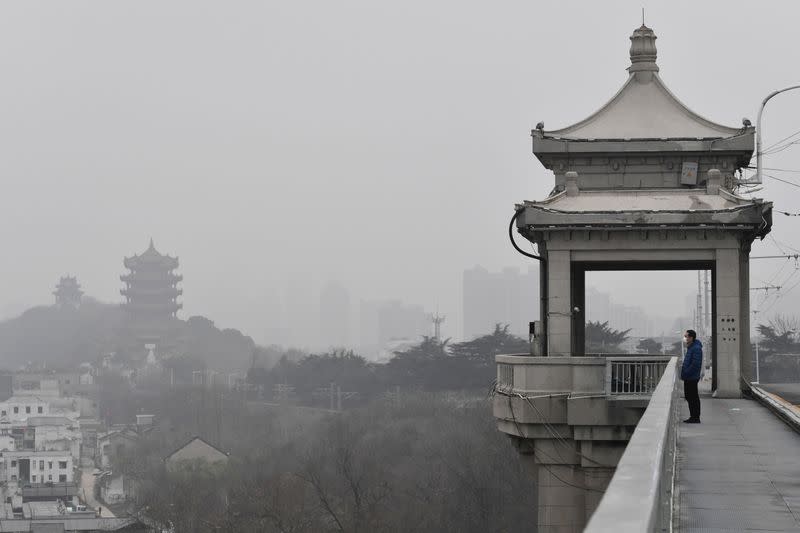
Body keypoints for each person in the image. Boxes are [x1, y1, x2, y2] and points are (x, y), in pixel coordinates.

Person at [681, 329, 702, 423]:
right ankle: (693, 416)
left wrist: (686, 372)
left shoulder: (696, 348)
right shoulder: (691, 347)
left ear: (691, 337)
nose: (684, 338)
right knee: (689, 396)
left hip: (692, 377)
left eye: (686, 336)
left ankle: (695, 417)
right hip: (689, 377)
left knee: (693, 397)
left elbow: (695, 364)